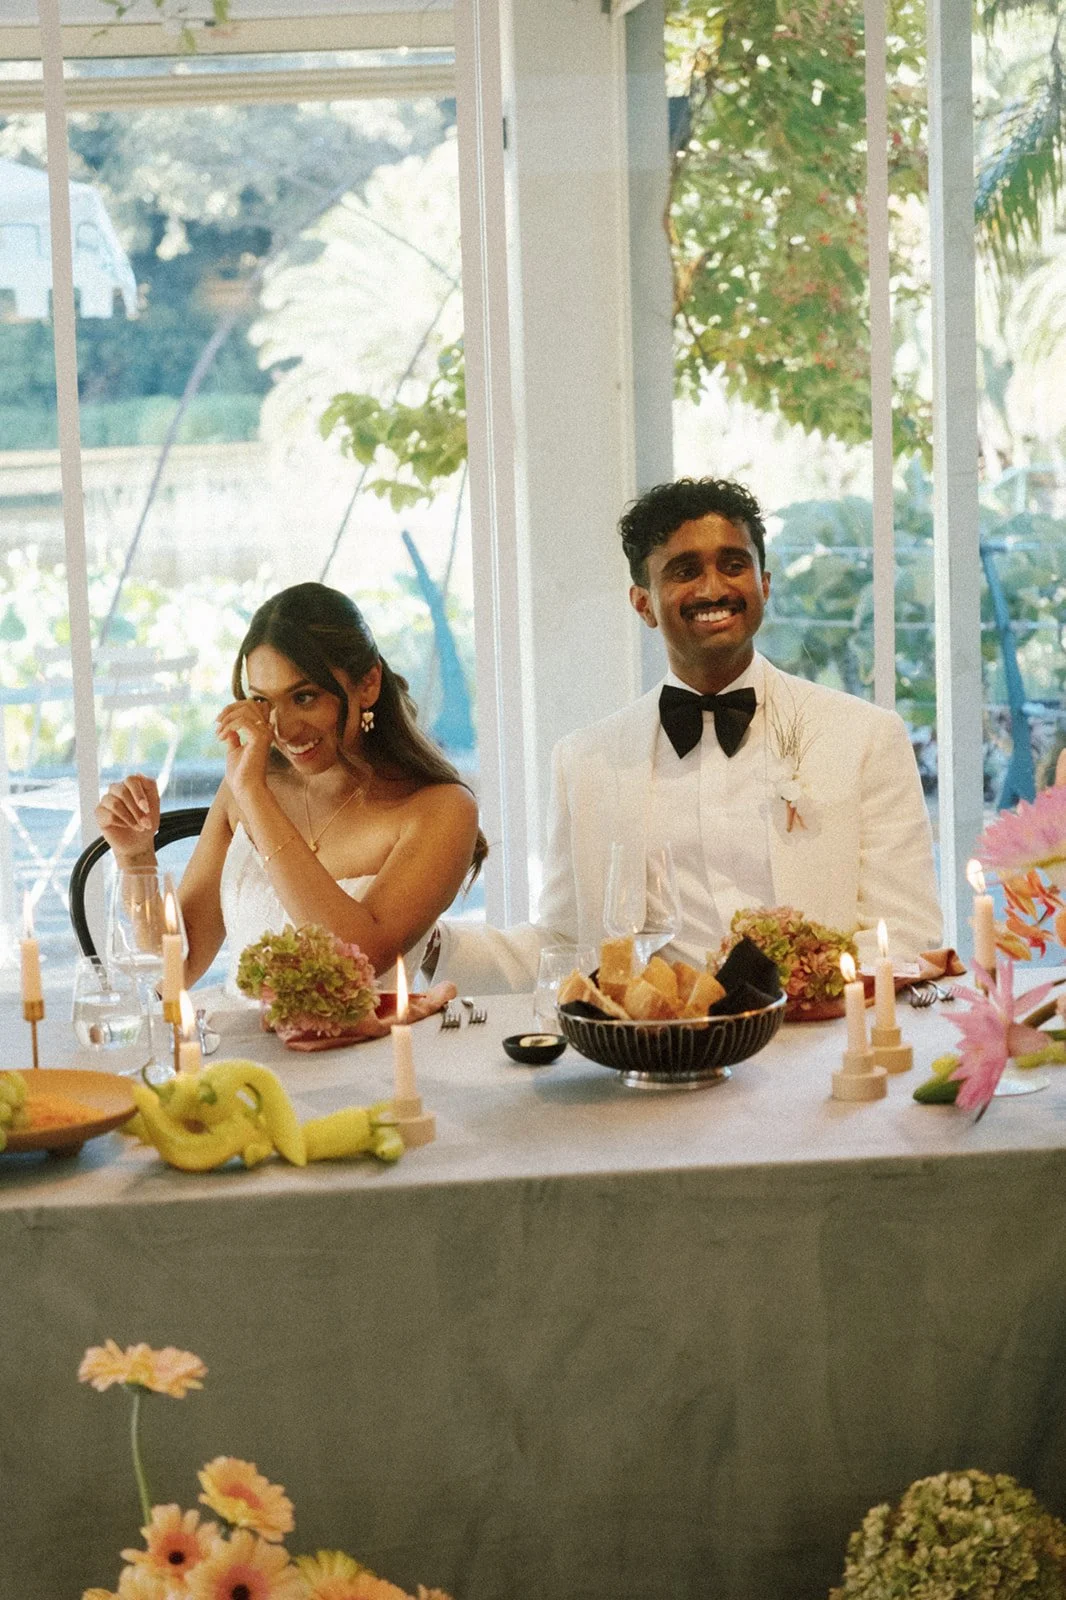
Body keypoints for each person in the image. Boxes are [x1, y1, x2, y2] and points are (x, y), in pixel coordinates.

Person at [433, 476, 942, 992]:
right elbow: (567, 944)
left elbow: (903, 935)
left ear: (764, 584)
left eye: (734, 564)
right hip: (658, 1056)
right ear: (644, 604)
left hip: (821, 1048)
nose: (714, 588)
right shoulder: (585, 762)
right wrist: (435, 945)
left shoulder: (865, 738)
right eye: (684, 571)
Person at [96, 582, 485, 991]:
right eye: (263, 701)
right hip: (238, 1048)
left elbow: (358, 962)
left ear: (368, 684)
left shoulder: (441, 809)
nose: (281, 729)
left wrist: (256, 800)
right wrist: (135, 857)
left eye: (304, 697)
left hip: (370, 1051)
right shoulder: (246, 789)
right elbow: (178, 961)